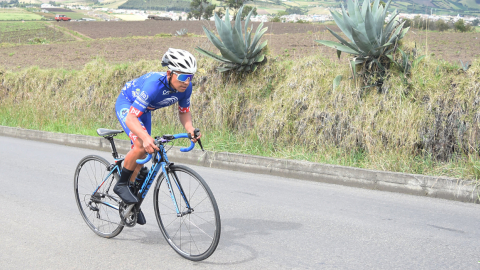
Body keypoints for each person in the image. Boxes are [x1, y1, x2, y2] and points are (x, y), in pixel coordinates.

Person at [113, 48, 201, 225]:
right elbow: (131, 117)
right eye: (183, 77)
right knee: (140, 145)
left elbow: (184, 112)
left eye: (190, 77)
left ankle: (130, 203)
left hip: (144, 110)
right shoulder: (154, 85)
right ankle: (121, 185)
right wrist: (145, 137)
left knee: (145, 153)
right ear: (170, 73)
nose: (187, 81)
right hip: (128, 105)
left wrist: (190, 128)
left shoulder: (186, 88)